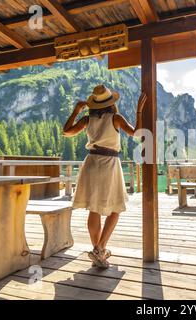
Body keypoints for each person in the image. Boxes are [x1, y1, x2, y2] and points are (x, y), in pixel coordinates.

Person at [63, 84, 147, 268]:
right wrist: (139, 111)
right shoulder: (115, 118)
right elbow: (136, 133)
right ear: (111, 102)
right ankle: (100, 248)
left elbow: (66, 131)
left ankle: (98, 253)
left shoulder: (87, 119)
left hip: (92, 162)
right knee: (115, 208)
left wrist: (76, 110)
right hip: (109, 163)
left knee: (94, 209)